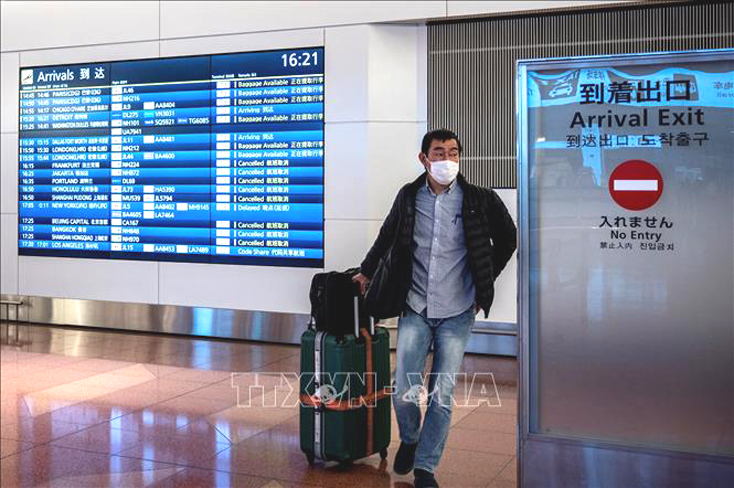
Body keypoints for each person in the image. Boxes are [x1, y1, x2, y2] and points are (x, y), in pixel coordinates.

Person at [353, 129, 517, 488]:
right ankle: (411, 439)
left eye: (454, 153)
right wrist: (366, 271)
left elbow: (508, 238)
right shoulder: (410, 196)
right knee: (404, 390)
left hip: (458, 310)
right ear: (424, 159)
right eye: (439, 153)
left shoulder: (479, 199)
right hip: (415, 305)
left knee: (441, 394)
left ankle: (426, 466)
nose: (447, 160)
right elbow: (387, 234)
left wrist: (484, 282)